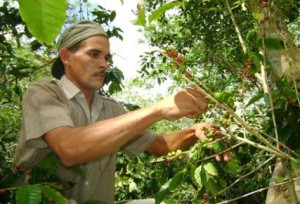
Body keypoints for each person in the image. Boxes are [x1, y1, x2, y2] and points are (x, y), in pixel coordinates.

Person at [13, 20, 214, 203]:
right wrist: (158, 109)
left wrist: (196, 131)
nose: (104, 64)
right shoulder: (44, 92)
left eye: (107, 57)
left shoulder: (111, 109)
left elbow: (161, 146)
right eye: (94, 54)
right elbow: (69, 149)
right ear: (66, 56)